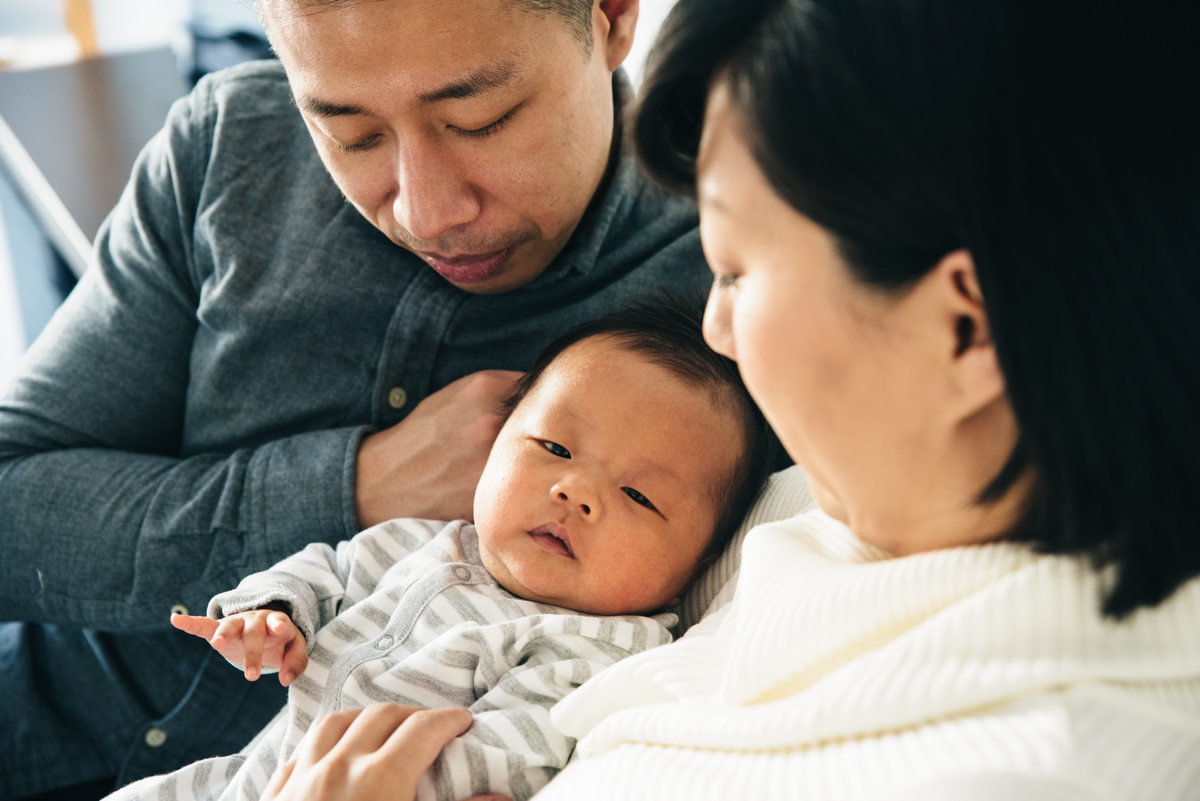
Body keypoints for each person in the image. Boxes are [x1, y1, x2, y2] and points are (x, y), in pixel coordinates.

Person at [245, 0, 1200, 798]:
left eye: (738, 270)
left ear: (965, 328)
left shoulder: (1024, 762)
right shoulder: (831, 504)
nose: (715, 328)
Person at [0, 0, 715, 797]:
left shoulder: (727, 273)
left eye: (482, 120)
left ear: (612, 17)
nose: (426, 212)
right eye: (351, 133)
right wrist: (359, 483)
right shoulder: (228, 143)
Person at [104, 304, 772, 801]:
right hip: (245, 775)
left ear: (699, 567)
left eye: (637, 494)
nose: (576, 490)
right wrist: (273, 612)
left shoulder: (596, 648)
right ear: (496, 441)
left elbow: (512, 750)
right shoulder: (432, 537)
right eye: (555, 448)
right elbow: (330, 569)